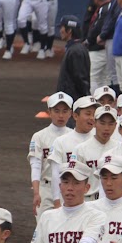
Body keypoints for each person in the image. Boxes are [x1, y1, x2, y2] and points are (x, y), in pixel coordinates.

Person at [27, 91, 73, 219]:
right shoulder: (39, 136)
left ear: (70, 113)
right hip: (45, 189)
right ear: (49, 112)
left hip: (68, 188)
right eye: (56, 111)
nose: (61, 115)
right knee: (43, 229)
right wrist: (36, 192)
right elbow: (35, 165)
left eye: (65, 111)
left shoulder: (74, 136)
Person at [56, 15, 89, 101]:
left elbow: (80, 78)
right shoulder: (75, 48)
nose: (60, 31)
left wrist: (83, 98)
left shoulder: (75, 51)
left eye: (62, 28)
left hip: (72, 100)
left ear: (69, 30)